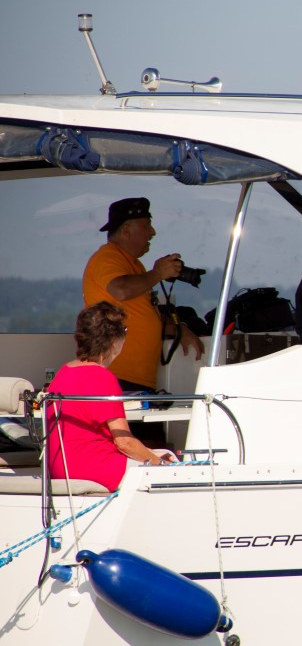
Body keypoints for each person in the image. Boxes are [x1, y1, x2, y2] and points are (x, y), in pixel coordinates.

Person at [45, 302, 176, 492]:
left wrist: (154, 455)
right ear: (114, 342)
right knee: (173, 471)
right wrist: (161, 465)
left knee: (162, 453)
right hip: (96, 469)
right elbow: (124, 442)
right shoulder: (103, 378)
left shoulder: (62, 373)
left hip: (61, 469)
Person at [82, 197, 204, 393]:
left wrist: (178, 329)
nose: (153, 232)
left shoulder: (135, 266)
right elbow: (121, 290)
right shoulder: (108, 257)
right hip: (115, 375)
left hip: (133, 379)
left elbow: (140, 314)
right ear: (126, 230)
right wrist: (158, 274)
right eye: (147, 225)